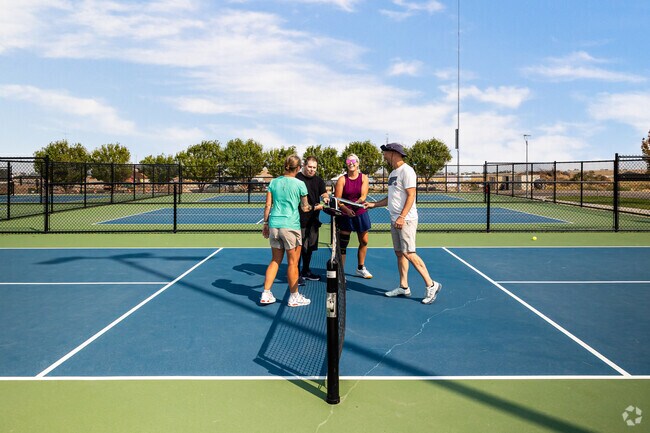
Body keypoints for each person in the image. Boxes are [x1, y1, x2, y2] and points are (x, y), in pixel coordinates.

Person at [365, 143, 442, 304]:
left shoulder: (407, 171)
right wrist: (373, 204)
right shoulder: (393, 173)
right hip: (395, 219)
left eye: (385, 152)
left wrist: (402, 216)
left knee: (409, 253)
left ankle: (431, 284)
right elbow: (392, 197)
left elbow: (411, 195)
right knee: (399, 253)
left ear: (394, 153)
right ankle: (404, 286)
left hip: (405, 219)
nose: (384, 155)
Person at [261, 155, 312, 307]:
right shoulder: (300, 184)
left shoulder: (274, 182)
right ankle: (294, 297)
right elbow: (305, 207)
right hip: (290, 227)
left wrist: (265, 223)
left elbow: (268, 206)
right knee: (293, 263)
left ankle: (266, 293)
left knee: (275, 260)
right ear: (298, 168)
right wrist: (316, 206)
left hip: (274, 225)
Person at [334, 153, 373, 279]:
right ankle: (341, 272)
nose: (351, 163)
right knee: (343, 244)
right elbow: (338, 200)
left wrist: (357, 204)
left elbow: (363, 196)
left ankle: (360, 268)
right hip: (345, 214)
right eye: (349, 161)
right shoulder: (342, 179)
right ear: (346, 163)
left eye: (354, 161)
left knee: (364, 241)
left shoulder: (364, 178)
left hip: (360, 213)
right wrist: (346, 209)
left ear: (358, 163)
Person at [296, 156, 329, 284]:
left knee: (309, 248)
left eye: (314, 168)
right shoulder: (297, 179)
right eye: (309, 167)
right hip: (299, 220)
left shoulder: (319, 180)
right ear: (304, 165)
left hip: (314, 220)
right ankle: (296, 274)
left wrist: (326, 198)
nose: (311, 170)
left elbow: (324, 193)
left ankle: (306, 271)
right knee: (299, 248)